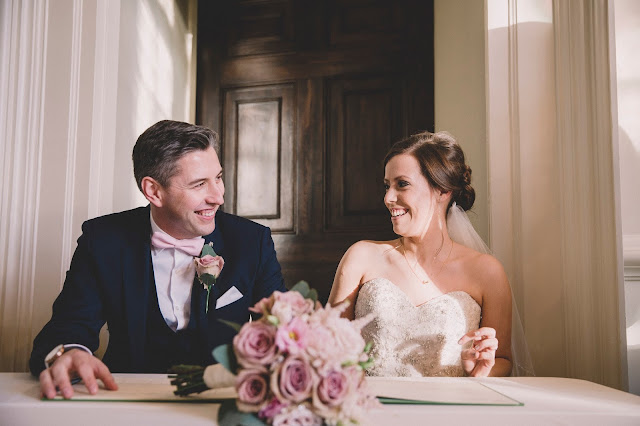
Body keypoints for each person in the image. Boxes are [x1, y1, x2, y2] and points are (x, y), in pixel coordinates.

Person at [30, 120, 287, 398]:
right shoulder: (103, 240)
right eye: (200, 184)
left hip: (219, 401)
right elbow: (68, 326)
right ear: (153, 191)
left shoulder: (252, 242)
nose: (218, 196)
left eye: (218, 178)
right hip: (127, 399)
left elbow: (285, 330)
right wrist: (71, 353)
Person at [328, 131, 532, 378]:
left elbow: (503, 360)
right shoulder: (360, 257)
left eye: (402, 184)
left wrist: (479, 370)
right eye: (387, 186)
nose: (388, 198)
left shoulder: (487, 272)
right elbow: (327, 347)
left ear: (442, 190)